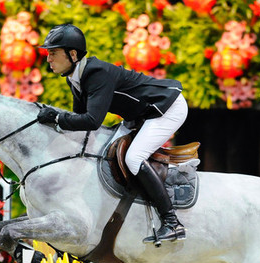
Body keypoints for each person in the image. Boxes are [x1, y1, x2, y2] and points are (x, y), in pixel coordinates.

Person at [37, 23, 189, 244]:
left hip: (166, 108)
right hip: (140, 116)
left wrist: (57, 118)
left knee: (133, 157)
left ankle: (172, 223)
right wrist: (55, 123)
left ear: (72, 54)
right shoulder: (76, 77)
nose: (48, 59)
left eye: (53, 53)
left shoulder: (96, 73)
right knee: (105, 153)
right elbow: (81, 124)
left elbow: (91, 120)